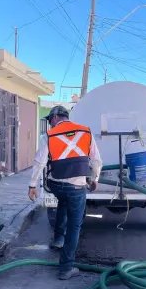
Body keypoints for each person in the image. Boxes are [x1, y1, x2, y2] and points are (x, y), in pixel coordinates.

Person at [28, 105, 103, 280]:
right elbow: (96, 160)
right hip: (76, 186)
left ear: (55, 117)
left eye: (49, 120)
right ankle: (66, 268)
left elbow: (39, 162)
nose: (50, 124)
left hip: (56, 184)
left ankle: (58, 239)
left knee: (62, 201)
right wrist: (94, 179)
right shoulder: (86, 132)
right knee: (74, 226)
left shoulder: (50, 135)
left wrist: (33, 185)